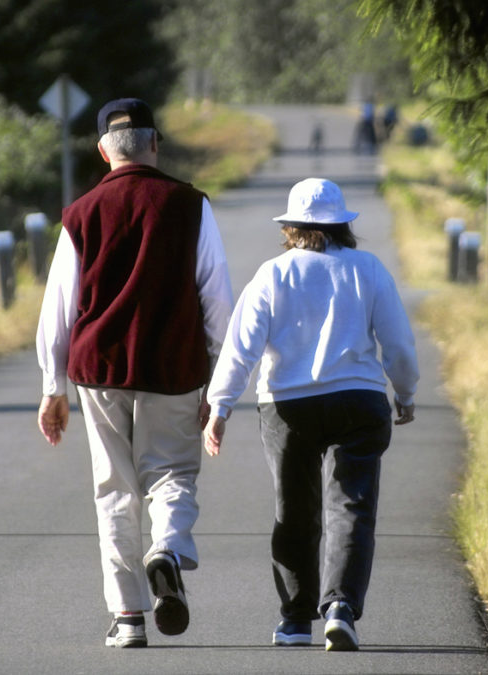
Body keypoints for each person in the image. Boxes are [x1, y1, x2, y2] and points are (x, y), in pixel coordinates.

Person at [36, 97, 233, 648]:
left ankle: (128, 619)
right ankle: (166, 547)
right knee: (171, 472)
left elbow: (58, 306)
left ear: (104, 150)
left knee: (114, 489)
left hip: (98, 371)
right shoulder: (190, 205)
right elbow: (217, 298)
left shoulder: (80, 213)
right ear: (155, 143)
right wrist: (220, 384)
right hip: (173, 366)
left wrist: (52, 387)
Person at [202, 178, 419, 651]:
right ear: (343, 224)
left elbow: (241, 347)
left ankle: (296, 621)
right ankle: (340, 608)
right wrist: (405, 391)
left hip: (288, 406)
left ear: (291, 227)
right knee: (352, 508)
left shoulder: (273, 273)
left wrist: (220, 407)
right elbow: (397, 342)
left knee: (294, 513)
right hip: (358, 400)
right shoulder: (368, 269)